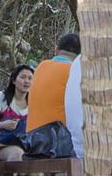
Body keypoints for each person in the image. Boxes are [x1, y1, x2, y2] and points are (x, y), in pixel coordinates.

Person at [24, 31, 82, 159]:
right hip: (59, 142)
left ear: (56, 50)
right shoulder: (75, 72)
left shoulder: (40, 66)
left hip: (32, 140)